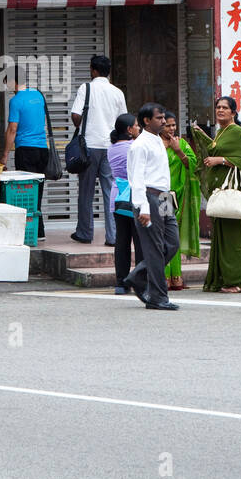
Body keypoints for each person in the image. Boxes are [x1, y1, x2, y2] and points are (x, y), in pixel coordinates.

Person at [190, 96, 241, 293]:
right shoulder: (221, 132)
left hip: (231, 191)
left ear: (233, 112)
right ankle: (224, 279)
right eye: (218, 107)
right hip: (220, 191)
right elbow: (213, 150)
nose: (220, 110)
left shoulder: (238, 133)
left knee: (234, 236)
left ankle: (239, 281)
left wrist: (220, 160)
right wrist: (203, 137)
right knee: (221, 236)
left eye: (225, 107)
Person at [121, 103, 180, 310]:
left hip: (164, 197)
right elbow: (136, 178)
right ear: (147, 121)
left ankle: (139, 275)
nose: (164, 121)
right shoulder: (140, 145)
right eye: (159, 118)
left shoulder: (158, 140)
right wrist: (143, 208)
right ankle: (157, 297)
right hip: (149, 197)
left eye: (164, 118)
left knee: (172, 243)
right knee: (155, 248)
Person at [69, 55, 128, 245]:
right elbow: (123, 121)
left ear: (93, 70)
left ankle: (85, 233)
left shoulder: (85, 88)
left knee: (86, 192)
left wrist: (82, 123)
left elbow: (75, 115)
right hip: (111, 147)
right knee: (110, 191)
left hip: (89, 146)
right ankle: (113, 236)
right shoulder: (117, 92)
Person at [2, 76, 49, 238]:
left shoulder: (15, 101)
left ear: (13, 82)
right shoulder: (38, 95)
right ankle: (39, 231)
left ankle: (31, 231)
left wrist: (5, 155)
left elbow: (12, 129)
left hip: (26, 150)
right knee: (38, 191)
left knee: (25, 192)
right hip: (43, 149)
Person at [161, 112, 200, 291]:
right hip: (163, 196)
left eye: (173, 125)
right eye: (167, 125)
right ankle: (164, 277)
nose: (171, 128)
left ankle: (176, 277)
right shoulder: (155, 144)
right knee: (164, 236)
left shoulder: (182, 144)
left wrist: (178, 151)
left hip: (180, 195)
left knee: (173, 236)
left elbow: (194, 165)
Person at [107, 113, 143, 296]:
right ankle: (140, 279)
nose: (139, 128)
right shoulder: (134, 147)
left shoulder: (112, 148)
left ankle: (121, 282)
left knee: (122, 242)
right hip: (134, 197)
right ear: (129, 130)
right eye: (136, 125)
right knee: (140, 242)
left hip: (118, 197)